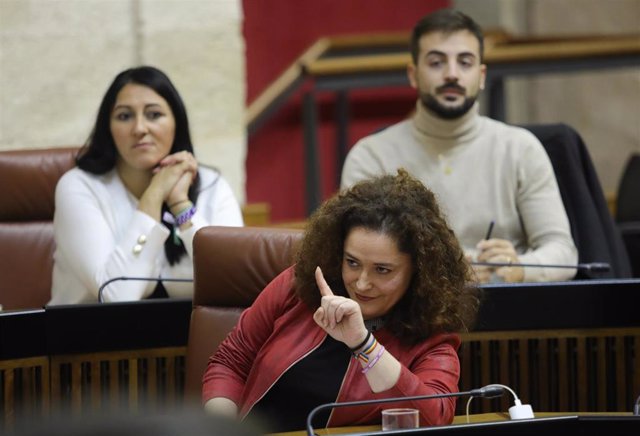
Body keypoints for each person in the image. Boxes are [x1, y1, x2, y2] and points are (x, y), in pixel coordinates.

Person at [202, 170, 480, 433]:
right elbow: (231, 361)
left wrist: (364, 344)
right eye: (352, 263)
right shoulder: (300, 286)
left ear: (419, 272)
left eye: (382, 270)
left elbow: (435, 418)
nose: (361, 283)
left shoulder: (432, 335)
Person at [341, 8, 578, 283]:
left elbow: (563, 253)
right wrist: (448, 270)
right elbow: (358, 258)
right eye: (436, 63)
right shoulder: (370, 156)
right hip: (409, 317)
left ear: (481, 75)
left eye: (465, 62)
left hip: (507, 309)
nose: (452, 74)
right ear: (413, 74)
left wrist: (519, 266)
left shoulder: (521, 149)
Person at [50, 66, 243, 304]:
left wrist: (181, 205)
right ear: (108, 128)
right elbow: (116, 296)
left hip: (192, 338)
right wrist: (154, 193)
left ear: (176, 122)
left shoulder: (212, 187)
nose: (140, 129)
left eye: (154, 115)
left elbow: (235, 284)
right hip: (91, 338)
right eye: (124, 116)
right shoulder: (78, 187)